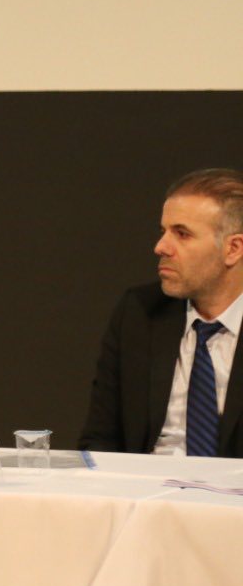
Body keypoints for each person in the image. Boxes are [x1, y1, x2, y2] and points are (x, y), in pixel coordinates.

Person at [79, 168, 243, 456]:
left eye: (182, 234)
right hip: (146, 482)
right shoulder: (140, 312)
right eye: (163, 231)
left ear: (233, 248)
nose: (160, 247)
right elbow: (100, 440)